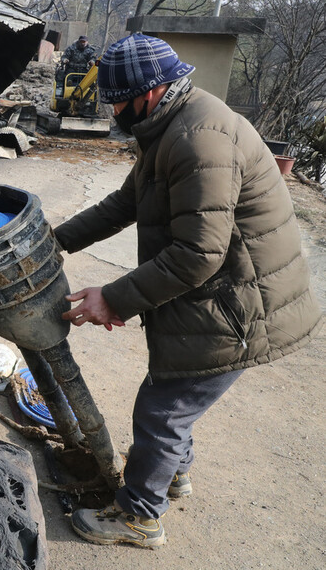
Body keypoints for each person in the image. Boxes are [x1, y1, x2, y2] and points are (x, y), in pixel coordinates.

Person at [52, 33, 323, 549]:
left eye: (116, 101)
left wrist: (113, 297)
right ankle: (172, 474)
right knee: (177, 386)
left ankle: (140, 517)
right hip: (223, 293)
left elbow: (200, 254)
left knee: (163, 409)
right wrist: (56, 241)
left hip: (240, 306)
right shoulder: (170, 125)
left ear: (148, 94)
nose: (112, 111)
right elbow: (124, 202)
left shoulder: (198, 139)